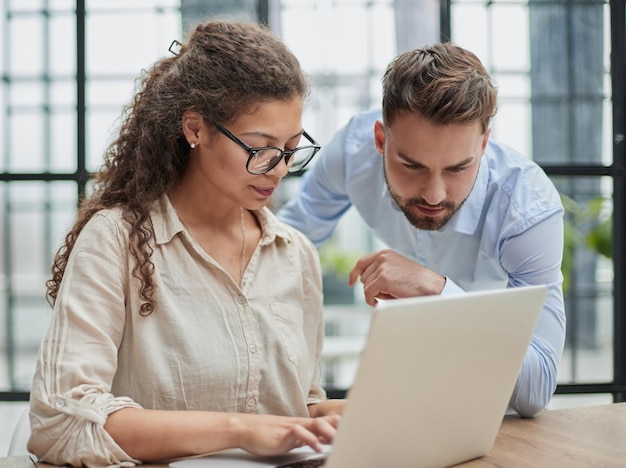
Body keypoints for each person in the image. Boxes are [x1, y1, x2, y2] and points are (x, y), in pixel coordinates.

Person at [27, 20, 343, 467]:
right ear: (196, 128)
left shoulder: (294, 254)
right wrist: (240, 430)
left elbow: (296, 404)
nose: (280, 169)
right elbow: (59, 420)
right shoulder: (116, 241)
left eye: (292, 148)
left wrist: (335, 415)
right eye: (261, 148)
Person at [278, 42, 566, 418]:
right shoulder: (352, 151)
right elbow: (284, 246)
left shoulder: (527, 209)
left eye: (458, 168)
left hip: (491, 405)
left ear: (484, 143)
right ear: (380, 140)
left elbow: (536, 388)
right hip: (405, 386)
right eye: (412, 166)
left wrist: (435, 289)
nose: (434, 194)